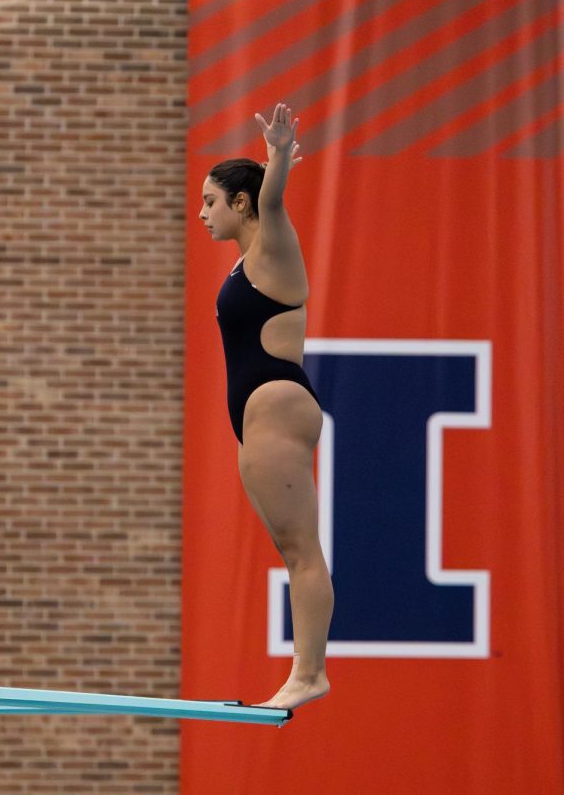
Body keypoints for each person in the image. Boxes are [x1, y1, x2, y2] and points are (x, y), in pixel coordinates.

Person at [198, 103, 332, 711]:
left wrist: (275, 156)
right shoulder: (246, 261)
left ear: (241, 204)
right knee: (291, 551)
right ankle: (306, 670)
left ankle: (310, 673)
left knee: (303, 552)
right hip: (262, 414)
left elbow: (274, 201)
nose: (202, 214)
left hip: (276, 404)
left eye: (211, 202)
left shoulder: (272, 244)